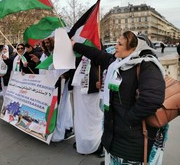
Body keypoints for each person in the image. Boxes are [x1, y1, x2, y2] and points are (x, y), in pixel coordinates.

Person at [71, 31, 166, 164]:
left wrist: (128, 120)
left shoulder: (146, 65)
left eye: (120, 44)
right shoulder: (116, 62)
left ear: (133, 48)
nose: (116, 46)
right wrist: (75, 45)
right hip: (114, 136)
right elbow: (96, 54)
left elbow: (151, 99)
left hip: (133, 139)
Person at [72, 55, 104, 156]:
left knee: (94, 118)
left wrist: (102, 80)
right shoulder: (76, 53)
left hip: (93, 89)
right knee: (81, 117)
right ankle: (84, 144)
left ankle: (98, 145)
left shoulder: (97, 51)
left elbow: (105, 66)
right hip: (79, 89)